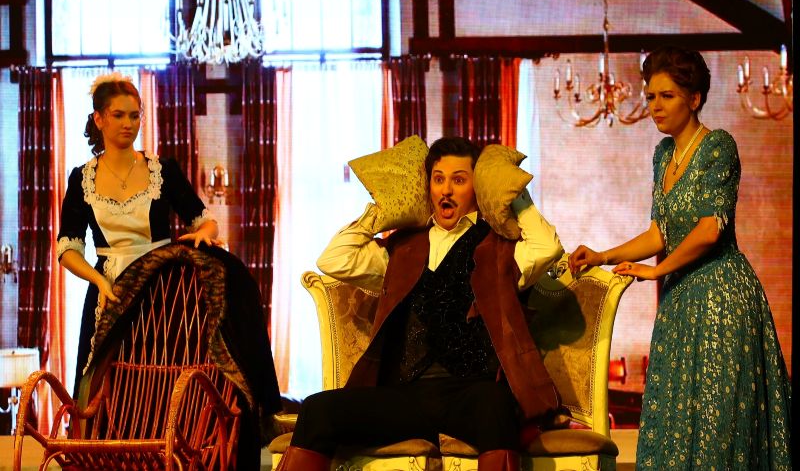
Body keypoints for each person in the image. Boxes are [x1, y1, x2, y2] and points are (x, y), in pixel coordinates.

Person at [277, 136, 564, 471]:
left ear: (477, 188)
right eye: (438, 179)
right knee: (317, 410)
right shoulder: (402, 249)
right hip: (405, 395)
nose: (446, 190)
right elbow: (334, 259)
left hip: (470, 393)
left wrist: (510, 193)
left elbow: (547, 247)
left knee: (496, 404)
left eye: (459, 180)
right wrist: (383, 209)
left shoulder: (500, 248)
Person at [568, 46, 792, 470]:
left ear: (694, 98)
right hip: (679, 302)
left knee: (717, 423)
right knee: (676, 418)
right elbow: (659, 232)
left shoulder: (718, 146)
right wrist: (602, 255)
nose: (655, 106)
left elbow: (710, 229)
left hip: (722, 297)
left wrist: (657, 271)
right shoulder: (662, 155)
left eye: (666, 96)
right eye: (651, 96)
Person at [56, 71, 282, 467]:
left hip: (165, 295)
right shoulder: (81, 179)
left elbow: (204, 221)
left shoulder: (162, 170)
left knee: (166, 384)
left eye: (135, 115)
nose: (128, 124)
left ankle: (177, 455)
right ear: (99, 119)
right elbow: (68, 248)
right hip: (110, 291)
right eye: (119, 115)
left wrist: (203, 237)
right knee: (111, 388)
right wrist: (96, 279)